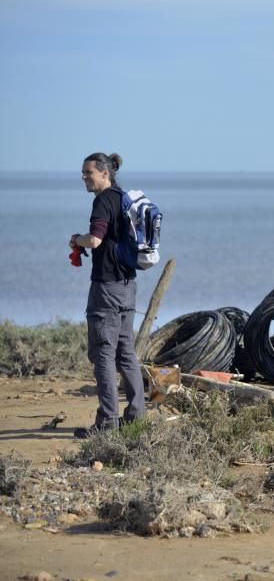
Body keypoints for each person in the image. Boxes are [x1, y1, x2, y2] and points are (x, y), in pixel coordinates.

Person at [69, 153, 146, 438]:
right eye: (83, 173)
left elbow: (96, 239)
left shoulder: (102, 201)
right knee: (126, 352)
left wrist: (77, 240)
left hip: (106, 288)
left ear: (104, 173)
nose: (84, 178)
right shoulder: (124, 198)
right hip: (128, 286)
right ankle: (136, 417)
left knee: (103, 353)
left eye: (88, 172)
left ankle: (107, 424)